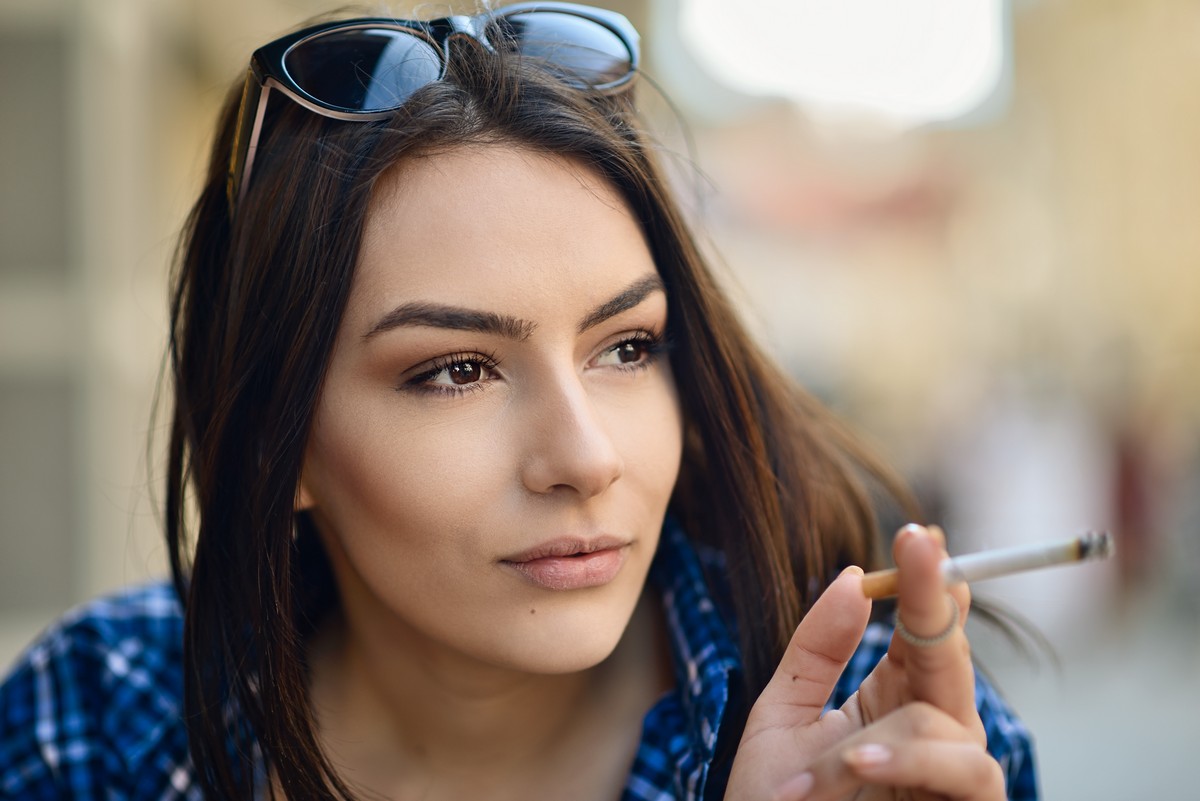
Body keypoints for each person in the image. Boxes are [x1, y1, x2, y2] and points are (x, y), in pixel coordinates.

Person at [0, 4, 1036, 799]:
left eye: (628, 347)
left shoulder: (885, 728)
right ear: (285, 444)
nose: (585, 458)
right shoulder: (97, 722)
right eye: (456, 369)